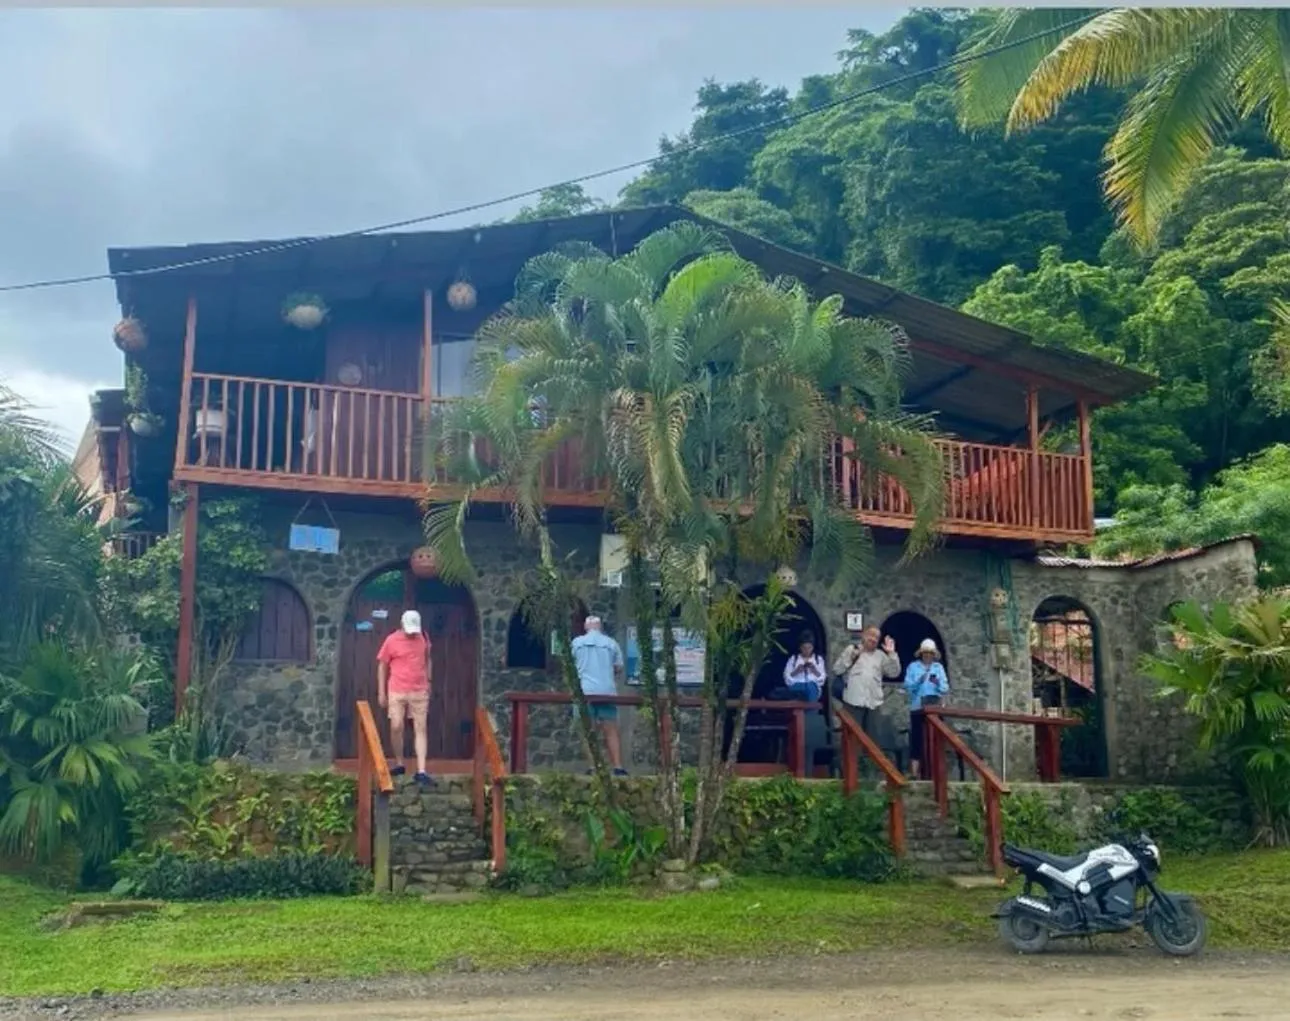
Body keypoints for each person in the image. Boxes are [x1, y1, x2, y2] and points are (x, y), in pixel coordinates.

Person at [377, 609, 433, 786]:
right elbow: (382, 666)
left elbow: (428, 659)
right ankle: (399, 763)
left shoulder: (423, 637)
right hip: (397, 689)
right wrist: (381, 692)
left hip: (419, 689)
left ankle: (421, 770)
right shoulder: (391, 640)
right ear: (402, 624)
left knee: (420, 728)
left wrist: (429, 680)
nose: (411, 634)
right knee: (396, 726)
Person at [570, 615, 627, 776]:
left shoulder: (576, 643)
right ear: (600, 627)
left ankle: (594, 766)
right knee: (611, 730)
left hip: (584, 692)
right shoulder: (611, 643)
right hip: (607, 691)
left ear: (585, 627)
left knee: (588, 730)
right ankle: (618, 767)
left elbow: (570, 666)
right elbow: (618, 667)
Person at [831, 625, 901, 736]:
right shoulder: (852, 650)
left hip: (873, 705)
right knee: (852, 738)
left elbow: (894, 673)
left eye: (876, 637)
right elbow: (837, 670)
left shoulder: (881, 656)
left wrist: (892, 654)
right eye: (871, 635)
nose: (873, 639)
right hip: (853, 702)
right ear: (864, 635)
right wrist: (850, 658)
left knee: (872, 740)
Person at [904, 638, 949, 778]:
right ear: (921, 654)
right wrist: (919, 681)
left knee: (936, 741)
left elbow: (945, 688)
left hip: (935, 709)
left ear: (934, 655)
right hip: (918, 708)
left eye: (930, 653)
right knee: (917, 741)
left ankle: (936, 774)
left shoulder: (938, 668)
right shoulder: (913, 667)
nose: (928, 655)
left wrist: (937, 683)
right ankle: (915, 773)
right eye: (925, 653)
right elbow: (907, 686)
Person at [782, 632, 826, 702]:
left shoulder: (818, 659)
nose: (807, 650)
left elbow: (823, 678)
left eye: (809, 648)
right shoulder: (794, 659)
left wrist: (814, 670)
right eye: (804, 648)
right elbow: (786, 677)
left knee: (810, 688)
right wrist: (796, 671)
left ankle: (810, 707)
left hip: (813, 687)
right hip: (797, 685)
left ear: (813, 647)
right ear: (800, 647)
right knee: (797, 691)